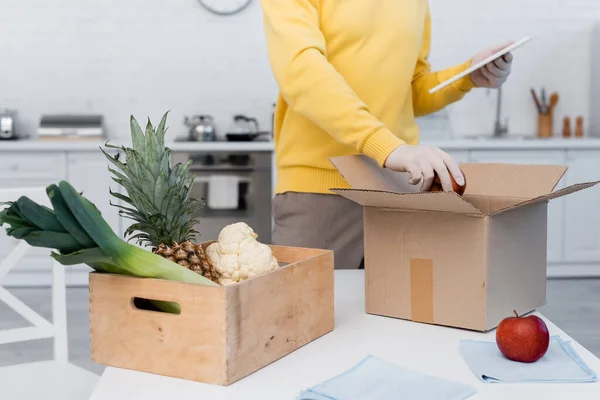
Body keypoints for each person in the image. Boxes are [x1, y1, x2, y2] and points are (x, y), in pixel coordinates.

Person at [260, 0, 513, 270]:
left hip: (396, 190)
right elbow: (301, 71)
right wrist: (387, 147)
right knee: (304, 309)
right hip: (319, 194)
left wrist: (465, 77)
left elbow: (411, 89)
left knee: (402, 310)